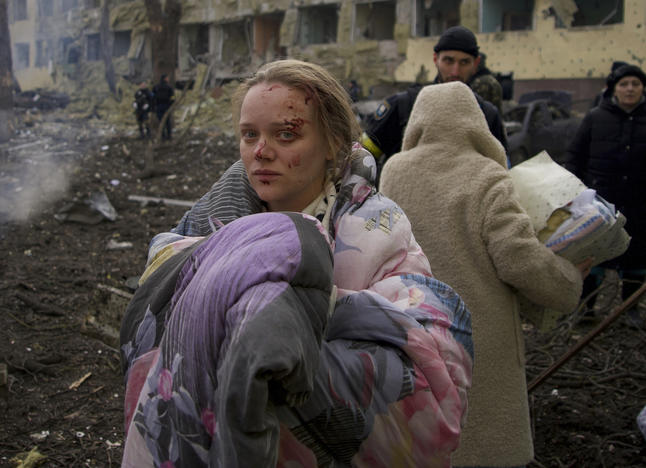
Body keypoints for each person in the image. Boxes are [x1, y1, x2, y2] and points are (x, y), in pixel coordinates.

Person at [120, 59, 474, 467]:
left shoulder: (377, 230)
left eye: (286, 135)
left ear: (333, 143)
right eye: (249, 134)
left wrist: (294, 318)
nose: (261, 151)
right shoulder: (202, 225)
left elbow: (428, 366)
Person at [379, 81, 588, 468]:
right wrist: (567, 277)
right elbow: (518, 259)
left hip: (413, 320)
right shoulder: (487, 176)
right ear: (476, 123)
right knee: (483, 440)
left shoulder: (394, 171)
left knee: (421, 432)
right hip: (478, 335)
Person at [564, 64, 646, 312]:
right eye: (624, 84)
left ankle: (629, 311)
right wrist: (571, 190)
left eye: (635, 84)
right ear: (614, 89)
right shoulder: (596, 117)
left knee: (637, 258)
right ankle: (586, 310)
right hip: (599, 202)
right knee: (593, 256)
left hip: (640, 204)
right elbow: (575, 155)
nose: (630, 89)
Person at [361, 25, 507, 161]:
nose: (455, 71)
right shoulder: (403, 106)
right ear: (435, 59)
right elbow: (361, 159)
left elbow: (500, 170)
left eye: (464, 62)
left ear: (475, 64)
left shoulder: (488, 115)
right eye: (448, 61)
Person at [152, 74, 175, 140]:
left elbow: (153, 97)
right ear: (165, 79)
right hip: (166, 106)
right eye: (167, 78)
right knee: (167, 122)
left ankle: (163, 136)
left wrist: (154, 106)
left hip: (158, 106)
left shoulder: (156, 87)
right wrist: (171, 104)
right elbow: (172, 97)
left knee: (161, 122)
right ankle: (169, 136)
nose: (168, 79)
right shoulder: (169, 87)